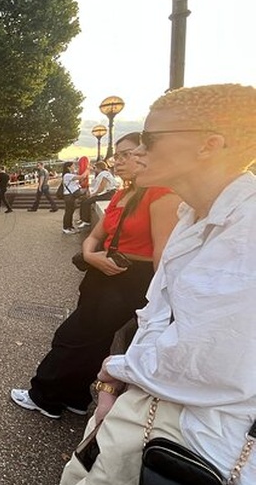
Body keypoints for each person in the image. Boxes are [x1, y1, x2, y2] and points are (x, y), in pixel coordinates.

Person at [59, 84, 256, 485]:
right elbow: (158, 313)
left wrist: (116, 368)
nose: (135, 151)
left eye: (149, 139)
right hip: (154, 407)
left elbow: (205, 357)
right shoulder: (192, 216)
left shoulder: (246, 232)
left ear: (210, 144)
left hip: (196, 436)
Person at [10, 131, 179, 419]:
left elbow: (162, 256)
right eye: (120, 155)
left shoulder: (161, 194)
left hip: (128, 278)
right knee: (93, 339)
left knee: (73, 336)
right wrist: (90, 255)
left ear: (147, 157)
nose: (121, 161)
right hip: (101, 271)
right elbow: (95, 235)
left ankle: (45, 396)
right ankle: (75, 396)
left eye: (130, 154)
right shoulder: (122, 194)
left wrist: (163, 305)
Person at [77, 161, 116, 228]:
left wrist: (94, 194)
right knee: (84, 200)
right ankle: (82, 218)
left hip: (108, 194)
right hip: (106, 193)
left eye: (95, 168)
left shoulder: (105, 174)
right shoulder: (104, 174)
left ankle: (86, 221)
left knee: (87, 202)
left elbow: (101, 187)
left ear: (99, 168)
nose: (94, 169)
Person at [60, 161, 89, 234]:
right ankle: (66, 228)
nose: (74, 167)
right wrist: (87, 169)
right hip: (69, 196)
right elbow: (81, 177)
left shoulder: (70, 175)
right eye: (73, 166)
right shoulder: (67, 175)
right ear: (68, 167)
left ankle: (70, 227)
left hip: (71, 196)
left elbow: (80, 180)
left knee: (71, 212)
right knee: (68, 212)